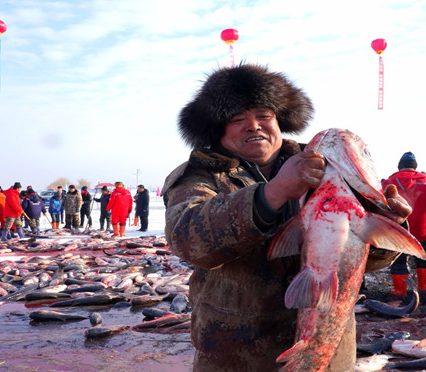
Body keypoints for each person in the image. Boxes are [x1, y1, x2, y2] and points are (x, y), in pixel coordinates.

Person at [162, 63, 412, 371]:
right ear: (218, 129)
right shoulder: (200, 175)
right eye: (238, 119)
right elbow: (187, 240)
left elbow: (363, 261)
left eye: (263, 115)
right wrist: (272, 195)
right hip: (239, 354)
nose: (253, 126)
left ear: (279, 119)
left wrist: (389, 227)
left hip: (328, 348)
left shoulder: (328, 163)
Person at [382, 152, 426, 299]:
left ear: (399, 166)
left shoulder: (388, 183)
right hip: (423, 229)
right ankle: (424, 287)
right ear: (416, 167)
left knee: (399, 259)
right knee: (424, 257)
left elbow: (381, 206)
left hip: (399, 230)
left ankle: (400, 290)